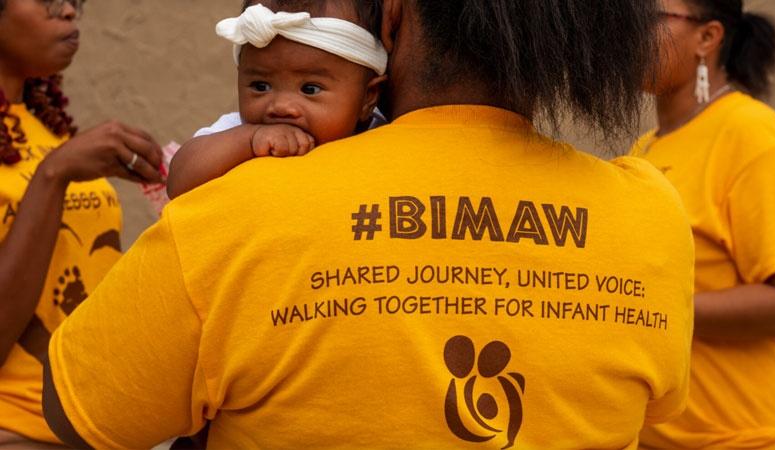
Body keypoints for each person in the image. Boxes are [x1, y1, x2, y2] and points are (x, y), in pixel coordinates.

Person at [42, 1, 695, 448]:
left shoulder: (241, 203)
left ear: (392, 18)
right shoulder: (651, 215)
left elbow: (81, 412)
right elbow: (660, 413)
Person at [633, 1, 775, 448]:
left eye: (649, 18)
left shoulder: (751, 134)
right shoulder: (643, 150)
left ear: (707, 38)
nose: (628, 31)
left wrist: (651, 313)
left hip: (747, 436)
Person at [0, 0, 162, 447]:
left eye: (74, 1)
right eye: (48, 1)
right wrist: (55, 175)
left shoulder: (41, 126)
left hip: (90, 424)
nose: (69, 13)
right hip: (18, 430)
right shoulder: (57, 157)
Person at [166, 0, 386, 199]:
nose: (280, 106)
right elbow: (178, 181)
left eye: (310, 89)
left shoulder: (381, 136)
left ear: (368, 97)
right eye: (260, 86)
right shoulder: (237, 132)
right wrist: (250, 140)